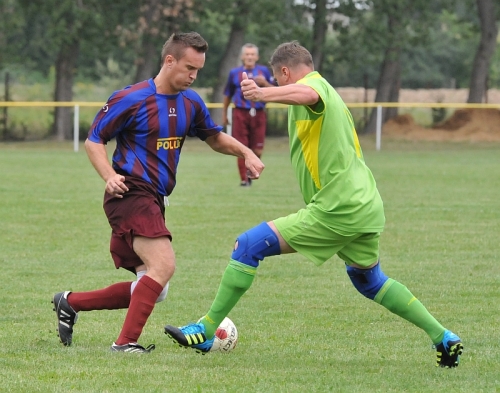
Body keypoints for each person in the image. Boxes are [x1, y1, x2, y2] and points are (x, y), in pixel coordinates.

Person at [164, 41, 463, 368]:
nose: (278, 86)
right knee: (369, 280)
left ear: (286, 72)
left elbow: (307, 94)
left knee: (248, 246)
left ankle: (206, 329)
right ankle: (443, 337)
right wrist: (268, 89)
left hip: (339, 208)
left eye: (278, 80)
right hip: (365, 205)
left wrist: (263, 95)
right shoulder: (321, 89)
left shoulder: (315, 87)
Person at [51, 32, 264, 353]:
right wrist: (108, 175)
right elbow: (94, 140)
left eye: (199, 70)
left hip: (155, 200)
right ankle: (124, 344)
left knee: (156, 287)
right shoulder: (132, 98)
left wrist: (246, 152)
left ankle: (70, 303)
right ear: (169, 60)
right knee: (163, 266)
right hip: (129, 193)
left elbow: (214, 137)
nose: (193, 76)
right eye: (189, 68)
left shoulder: (191, 102)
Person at [222, 43, 275, 186]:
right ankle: (244, 179)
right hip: (240, 112)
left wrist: (264, 83)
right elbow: (228, 95)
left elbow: (275, 90)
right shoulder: (234, 73)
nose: (250, 57)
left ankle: (253, 173)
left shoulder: (264, 71)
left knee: (257, 148)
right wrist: (224, 114)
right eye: (247, 54)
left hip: (258, 113)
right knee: (241, 147)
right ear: (242, 56)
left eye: (252, 54)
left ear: (257, 57)